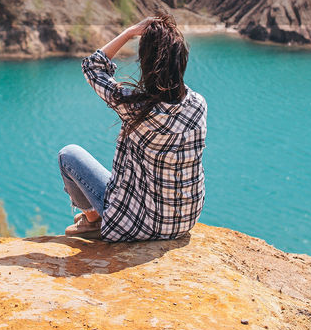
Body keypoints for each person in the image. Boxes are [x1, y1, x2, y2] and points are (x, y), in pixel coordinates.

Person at [57, 13, 207, 241]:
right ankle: (99, 216)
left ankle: (93, 220)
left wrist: (130, 32)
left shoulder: (136, 106)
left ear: (146, 63)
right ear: (181, 62)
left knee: (68, 155)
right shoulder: (198, 105)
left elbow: (92, 67)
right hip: (184, 221)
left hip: (137, 225)